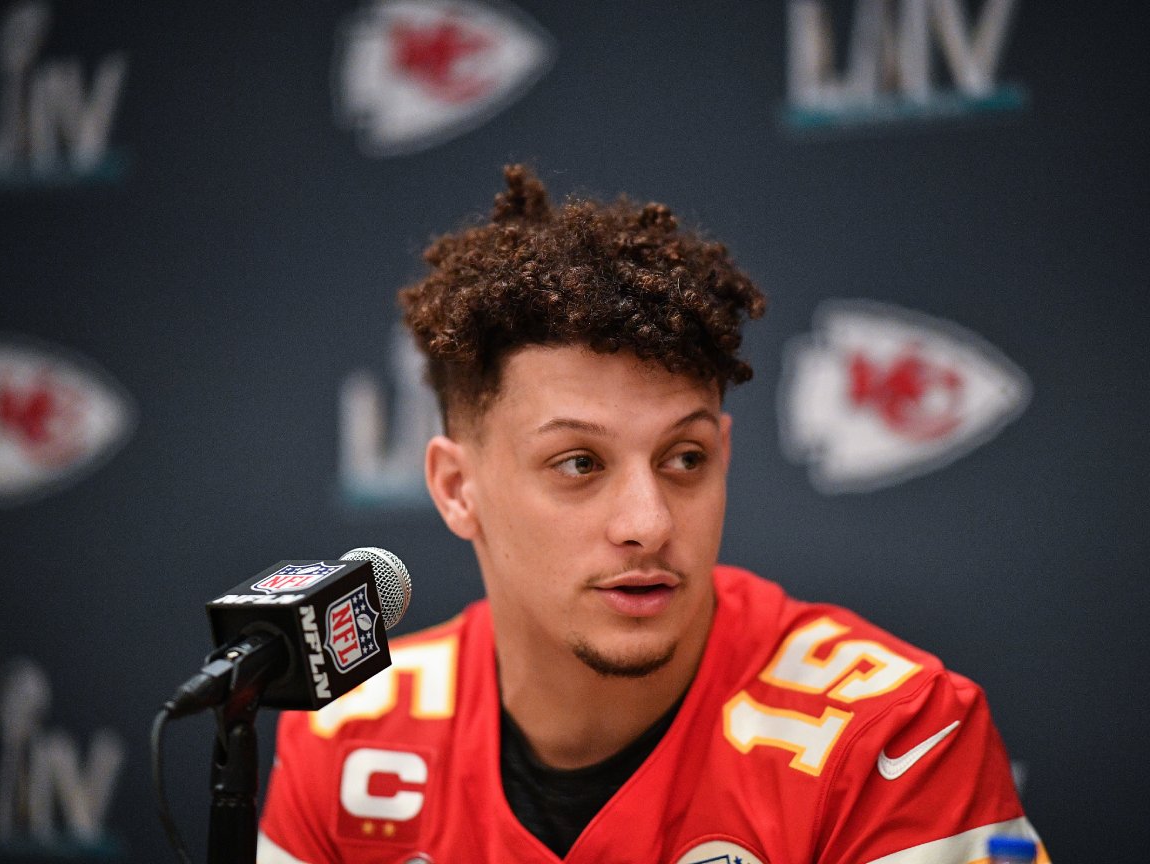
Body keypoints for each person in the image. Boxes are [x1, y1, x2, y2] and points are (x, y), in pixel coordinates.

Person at [257, 166, 1049, 863]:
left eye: (684, 459)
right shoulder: (352, 739)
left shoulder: (896, 736)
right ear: (457, 489)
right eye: (579, 464)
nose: (650, 522)